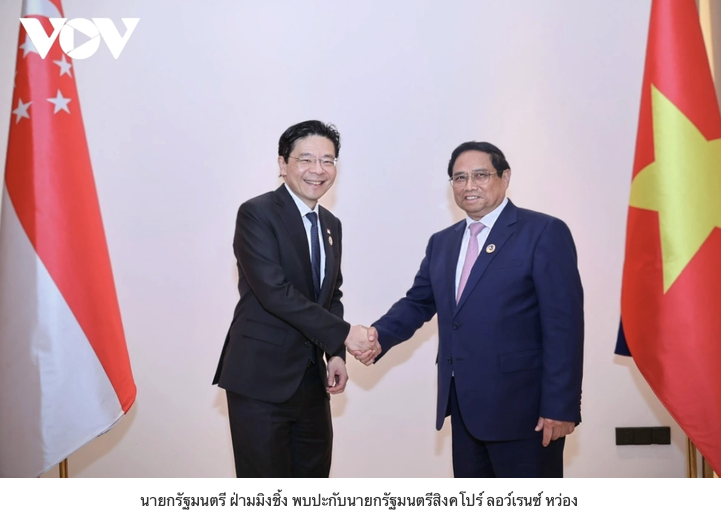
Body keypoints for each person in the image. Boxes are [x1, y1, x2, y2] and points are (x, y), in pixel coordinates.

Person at [365, 141, 584, 477]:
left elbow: (564, 327)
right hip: (465, 408)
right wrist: (376, 336)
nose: (469, 185)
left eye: (481, 175)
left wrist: (561, 406)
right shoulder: (443, 242)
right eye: (460, 178)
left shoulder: (543, 232)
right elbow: (418, 302)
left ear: (505, 177)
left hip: (526, 412)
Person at [213, 120, 376, 478]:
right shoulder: (257, 214)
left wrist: (335, 353)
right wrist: (345, 334)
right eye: (306, 159)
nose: (318, 169)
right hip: (260, 380)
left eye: (328, 160)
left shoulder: (331, 225)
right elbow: (275, 292)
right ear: (283, 163)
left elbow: (331, 294)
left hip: (312, 383)